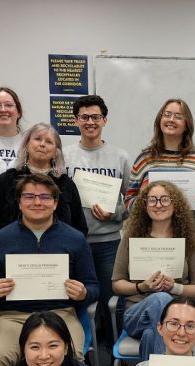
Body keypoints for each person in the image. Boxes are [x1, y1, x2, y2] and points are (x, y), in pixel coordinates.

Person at [0, 172, 98, 366]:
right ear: (19, 202)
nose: (37, 202)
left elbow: (93, 286)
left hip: (60, 315)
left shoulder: (74, 239)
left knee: (71, 359)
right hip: (11, 316)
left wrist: (84, 293)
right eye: (29, 197)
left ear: (55, 203)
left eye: (44, 197)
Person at [64, 94, 132, 350]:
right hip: (72, 243)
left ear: (104, 120)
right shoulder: (64, 156)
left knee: (112, 301)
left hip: (109, 242)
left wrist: (115, 213)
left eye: (95, 117)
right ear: (76, 121)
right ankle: (80, 349)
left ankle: (111, 351)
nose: (90, 122)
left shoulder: (120, 157)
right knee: (74, 299)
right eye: (84, 117)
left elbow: (135, 200)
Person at [112, 181, 195, 360]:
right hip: (136, 313)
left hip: (178, 320)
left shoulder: (188, 240)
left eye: (165, 199)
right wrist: (142, 287)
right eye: (152, 200)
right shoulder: (131, 238)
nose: (158, 205)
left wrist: (175, 288)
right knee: (161, 299)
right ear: (144, 205)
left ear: (175, 204)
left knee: (150, 334)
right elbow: (117, 284)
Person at [125, 99, 195, 264]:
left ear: (187, 124)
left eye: (178, 116)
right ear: (159, 120)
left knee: (194, 286)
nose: (171, 120)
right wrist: (144, 201)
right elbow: (129, 199)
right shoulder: (145, 158)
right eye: (167, 114)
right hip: (152, 239)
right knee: (156, 289)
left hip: (194, 238)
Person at [0, 122, 87, 243]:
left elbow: (80, 227)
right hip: (13, 254)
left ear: (55, 152)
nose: (42, 144)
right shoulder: (7, 180)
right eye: (37, 139)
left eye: (49, 142)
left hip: (58, 255)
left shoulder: (65, 183)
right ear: (27, 145)